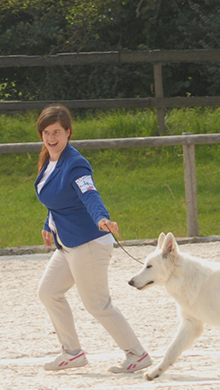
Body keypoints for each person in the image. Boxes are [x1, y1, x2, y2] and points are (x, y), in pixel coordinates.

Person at [34, 104, 152, 373]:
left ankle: (137, 354)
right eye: (46, 132)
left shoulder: (75, 164)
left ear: (68, 133)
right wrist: (48, 224)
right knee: (49, 292)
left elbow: (89, 194)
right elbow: (60, 201)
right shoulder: (50, 161)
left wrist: (102, 218)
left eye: (57, 132)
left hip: (89, 243)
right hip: (68, 243)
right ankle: (72, 353)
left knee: (97, 304)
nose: (51, 138)